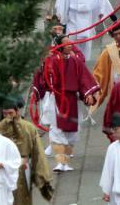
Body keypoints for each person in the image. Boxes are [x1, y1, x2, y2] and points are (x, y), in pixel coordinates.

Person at [35, 35, 100, 172]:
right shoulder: (51, 61)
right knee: (56, 131)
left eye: (70, 42)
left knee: (72, 133)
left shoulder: (76, 61)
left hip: (71, 99)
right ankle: (61, 163)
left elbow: (84, 79)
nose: (70, 45)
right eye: (66, 43)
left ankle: (65, 161)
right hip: (56, 99)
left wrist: (88, 94)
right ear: (59, 46)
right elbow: (44, 77)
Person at [0, 101, 54, 204]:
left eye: (10, 113)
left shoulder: (29, 128)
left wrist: (41, 175)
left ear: (17, 112)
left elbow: (38, 153)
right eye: (5, 114)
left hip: (23, 168)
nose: (8, 117)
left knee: (23, 198)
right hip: (2, 169)